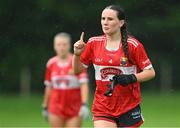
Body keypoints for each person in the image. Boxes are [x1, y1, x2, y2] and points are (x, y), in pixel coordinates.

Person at [73, 5, 155, 128]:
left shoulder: (133, 45)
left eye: (110, 19)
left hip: (129, 106)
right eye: (103, 19)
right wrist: (76, 55)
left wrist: (131, 78)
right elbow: (77, 70)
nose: (105, 22)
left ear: (121, 22)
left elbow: (150, 72)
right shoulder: (93, 43)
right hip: (103, 106)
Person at [42, 32, 89, 127]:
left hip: (74, 109)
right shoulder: (51, 63)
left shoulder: (76, 62)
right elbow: (48, 87)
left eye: (64, 44)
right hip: (55, 109)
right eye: (59, 44)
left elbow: (84, 85)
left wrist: (84, 104)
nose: (61, 47)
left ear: (69, 45)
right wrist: (45, 106)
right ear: (54, 46)